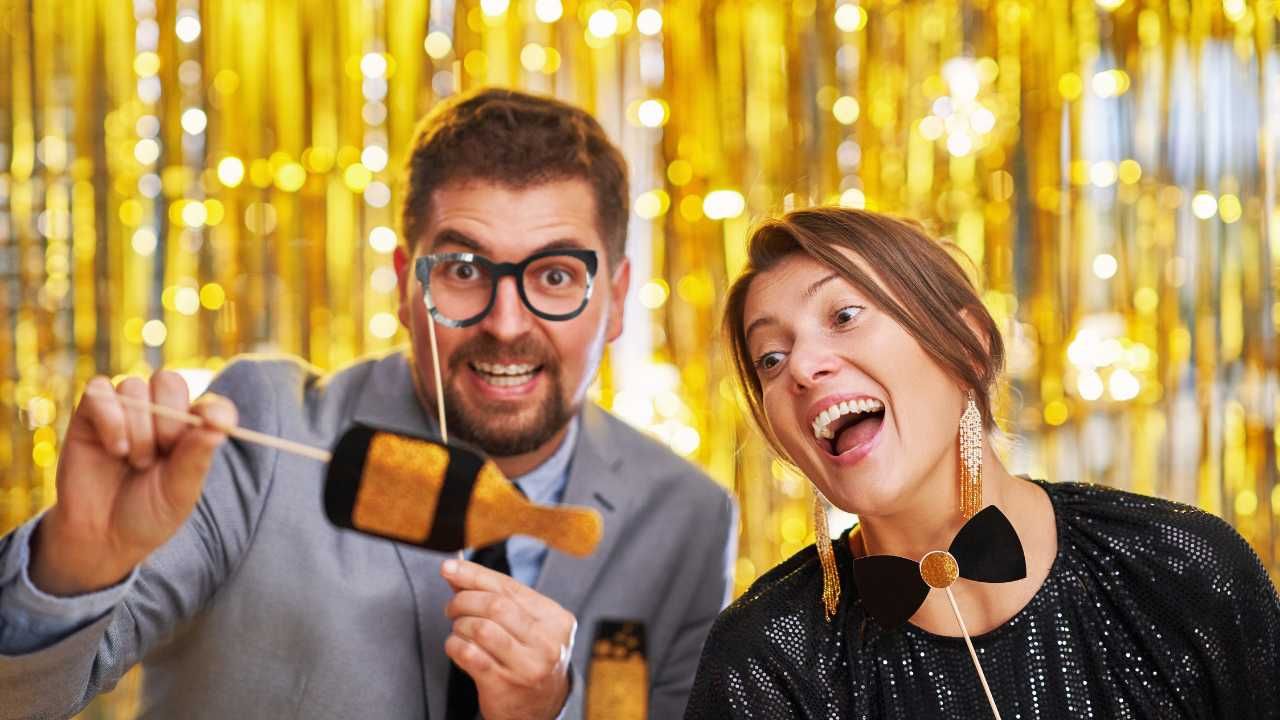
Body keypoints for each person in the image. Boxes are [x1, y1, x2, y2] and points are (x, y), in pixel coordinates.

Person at [0, 88, 737, 720]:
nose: (506, 324)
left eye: (553, 277)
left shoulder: (689, 519)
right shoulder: (263, 426)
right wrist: (72, 568)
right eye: (462, 269)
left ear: (614, 300)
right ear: (404, 285)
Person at [685, 207, 1280, 718]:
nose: (802, 368)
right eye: (770, 358)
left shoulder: (1183, 569)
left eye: (843, 316)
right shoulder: (766, 660)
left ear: (968, 344)